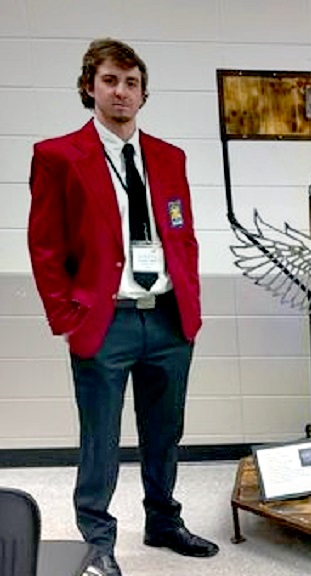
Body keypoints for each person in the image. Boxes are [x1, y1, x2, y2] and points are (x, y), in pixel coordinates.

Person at [27, 38, 218, 576]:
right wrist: (67, 317)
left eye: (131, 83)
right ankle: (98, 539)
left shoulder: (168, 157)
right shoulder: (58, 156)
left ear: (143, 93)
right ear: (90, 86)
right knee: (101, 436)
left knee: (165, 430)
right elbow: (44, 246)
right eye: (111, 80)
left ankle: (163, 521)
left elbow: (181, 235)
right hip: (103, 319)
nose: (121, 92)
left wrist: (192, 305)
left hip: (167, 316)